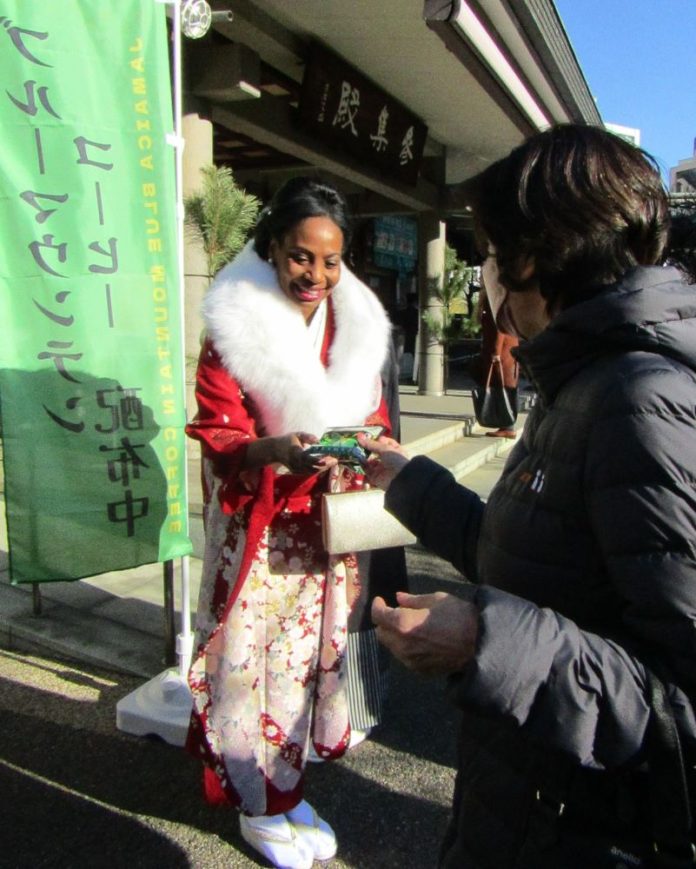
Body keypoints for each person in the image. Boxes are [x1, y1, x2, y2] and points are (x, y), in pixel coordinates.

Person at [358, 124, 696, 867]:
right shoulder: (582, 378)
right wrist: (407, 479)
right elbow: (529, 558)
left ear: (533, 257)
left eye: (489, 249)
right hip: (522, 805)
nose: (484, 271)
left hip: (581, 831)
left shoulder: (639, 400)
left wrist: (485, 639)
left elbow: (682, 701)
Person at [185, 176, 405, 869]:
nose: (316, 274)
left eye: (331, 260)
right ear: (273, 246)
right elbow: (219, 435)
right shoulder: (233, 329)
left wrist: (378, 443)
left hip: (327, 529)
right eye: (301, 256)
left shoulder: (357, 327)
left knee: (310, 667)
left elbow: (372, 415)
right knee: (256, 668)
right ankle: (257, 804)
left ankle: (286, 789)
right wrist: (273, 449)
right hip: (263, 530)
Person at [470, 285, 519, 438]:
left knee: (502, 387)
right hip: (504, 353)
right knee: (503, 387)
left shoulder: (497, 303)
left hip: (502, 355)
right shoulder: (501, 302)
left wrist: (495, 352)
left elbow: (500, 328)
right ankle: (505, 423)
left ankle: (507, 425)